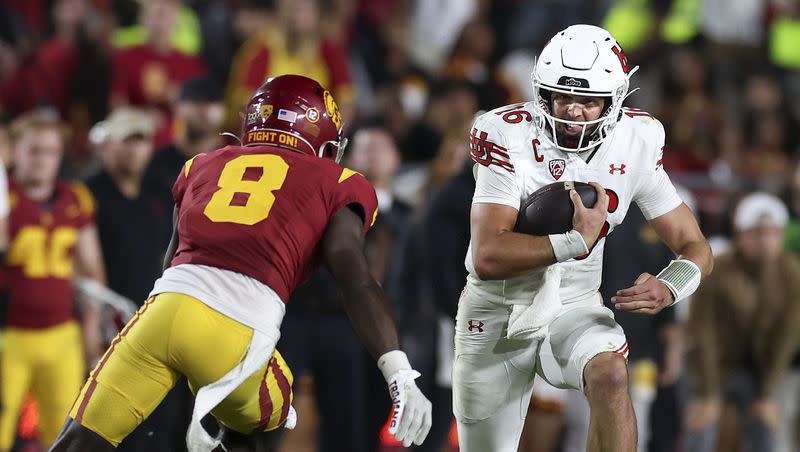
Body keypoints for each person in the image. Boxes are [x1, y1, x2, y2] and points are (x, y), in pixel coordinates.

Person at [49, 74, 432, 452]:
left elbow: (172, 260)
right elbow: (354, 276)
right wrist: (398, 371)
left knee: (78, 442)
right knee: (270, 420)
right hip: (238, 332)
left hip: (162, 314)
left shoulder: (200, 165)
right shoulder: (339, 180)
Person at [454, 24, 714, 452]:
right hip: (499, 305)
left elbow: (696, 246)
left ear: (614, 102)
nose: (572, 111)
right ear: (541, 92)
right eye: (562, 96)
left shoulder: (637, 140)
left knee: (611, 375)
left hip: (572, 302)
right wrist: (576, 241)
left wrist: (671, 287)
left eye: (588, 101)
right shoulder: (505, 132)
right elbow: (487, 254)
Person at [0, 111, 106, 451]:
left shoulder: (76, 198)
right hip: (9, 335)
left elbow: (91, 269)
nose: (43, 159)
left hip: (62, 334)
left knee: (62, 436)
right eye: (34, 150)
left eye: (50, 151)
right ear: (14, 152)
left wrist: (91, 326)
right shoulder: (5, 199)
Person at [683, 192, 800, 452]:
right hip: (712, 364)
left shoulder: (792, 273)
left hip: (761, 369)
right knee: (701, 425)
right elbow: (703, 332)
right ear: (741, 234)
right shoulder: (717, 267)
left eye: (772, 233)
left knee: (767, 427)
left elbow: (786, 336)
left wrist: (766, 394)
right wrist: (708, 394)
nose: (765, 241)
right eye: (757, 233)